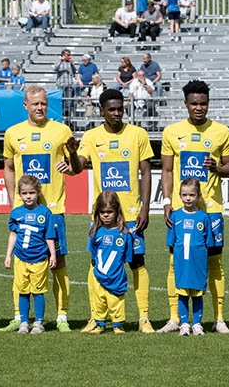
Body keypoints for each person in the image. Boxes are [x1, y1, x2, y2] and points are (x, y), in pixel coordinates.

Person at [72, 88, 154, 334]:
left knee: (137, 263)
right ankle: (97, 319)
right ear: (101, 110)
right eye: (112, 109)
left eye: (120, 109)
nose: (117, 113)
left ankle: (144, 319)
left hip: (130, 215)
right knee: (97, 264)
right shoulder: (90, 136)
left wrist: (146, 209)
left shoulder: (137, 134)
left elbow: (146, 172)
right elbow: (77, 167)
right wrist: (70, 150)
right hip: (102, 218)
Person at [0, 85, 80, 333]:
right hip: (24, 212)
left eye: (43, 103)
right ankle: (18, 316)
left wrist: (73, 160)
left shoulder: (61, 131)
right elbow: (9, 168)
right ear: (26, 105)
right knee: (21, 263)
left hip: (53, 210)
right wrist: (15, 201)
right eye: (35, 103)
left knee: (59, 263)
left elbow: (75, 167)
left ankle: (62, 316)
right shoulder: (13, 133)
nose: (40, 107)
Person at [159, 80, 229, 334]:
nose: (199, 108)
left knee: (214, 264)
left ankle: (220, 318)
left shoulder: (222, 132)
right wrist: (168, 201)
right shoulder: (171, 132)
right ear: (186, 104)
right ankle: (174, 318)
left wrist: (218, 168)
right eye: (194, 104)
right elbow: (167, 170)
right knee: (175, 262)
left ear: (208, 104)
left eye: (203, 103)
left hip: (211, 210)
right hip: (181, 210)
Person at [4, 175, 57, 335]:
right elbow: (13, 234)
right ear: (19, 194)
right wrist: (8, 255)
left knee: (38, 292)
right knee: (23, 291)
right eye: (25, 193)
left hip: (39, 259)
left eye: (32, 193)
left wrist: (52, 254)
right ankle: (24, 322)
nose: (28, 196)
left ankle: (38, 323)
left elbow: (49, 236)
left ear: (38, 193)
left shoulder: (45, 212)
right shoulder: (16, 213)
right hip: (20, 258)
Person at [166, 178, 214, 336]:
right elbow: (171, 242)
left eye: (192, 195)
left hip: (198, 262)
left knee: (198, 293)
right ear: (179, 195)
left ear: (199, 196)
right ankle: (184, 324)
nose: (188, 198)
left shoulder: (204, 217)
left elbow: (208, 242)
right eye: (185, 195)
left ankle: (197, 324)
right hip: (182, 262)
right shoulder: (175, 216)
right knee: (182, 293)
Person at [85, 191, 135, 335]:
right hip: (99, 275)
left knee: (116, 301)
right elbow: (94, 254)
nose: (106, 215)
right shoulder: (95, 232)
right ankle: (100, 324)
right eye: (102, 212)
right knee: (99, 301)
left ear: (117, 212)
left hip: (116, 275)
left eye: (109, 212)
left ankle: (118, 325)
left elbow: (127, 256)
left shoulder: (124, 234)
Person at [54, 49, 76, 114]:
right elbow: (55, 68)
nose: (68, 56)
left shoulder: (70, 62)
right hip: (60, 84)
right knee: (61, 100)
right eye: (67, 54)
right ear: (63, 55)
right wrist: (61, 61)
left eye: (69, 55)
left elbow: (75, 71)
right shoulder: (58, 61)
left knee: (68, 100)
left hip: (69, 84)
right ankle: (61, 113)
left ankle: (67, 114)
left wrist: (72, 64)